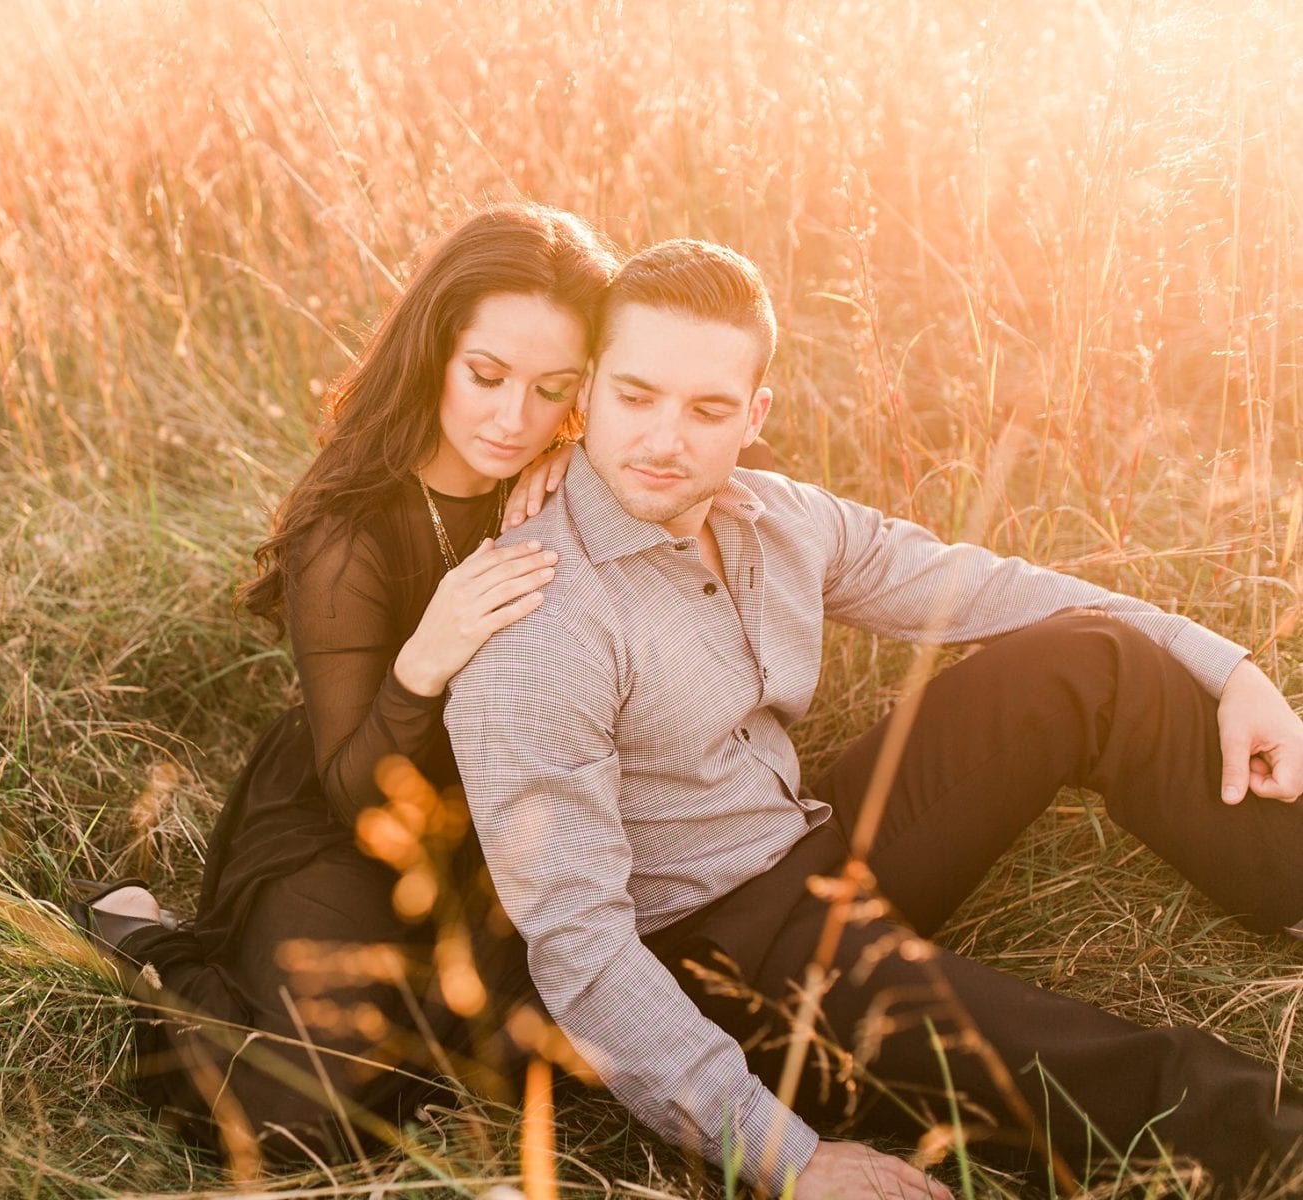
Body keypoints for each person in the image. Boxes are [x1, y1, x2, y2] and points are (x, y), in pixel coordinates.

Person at [444, 238, 1303, 1198]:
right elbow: (581, 950)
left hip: (819, 844)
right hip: (727, 974)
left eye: (708, 409)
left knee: (1089, 657)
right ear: (589, 392)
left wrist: (1230, 671)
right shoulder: (537, 627)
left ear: (754, 414)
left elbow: (980, 587)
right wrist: (790, 1160)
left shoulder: (769, 517)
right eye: (636, 397)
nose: (663, 440)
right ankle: (1280, 1143)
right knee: (1103, 1062)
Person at [63, 202, 624, 1169]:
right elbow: (356, 790)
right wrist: (427, 656)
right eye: (486, 376)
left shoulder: (571, 468)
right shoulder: (350, 523)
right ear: (436, 350)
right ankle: (146, 944)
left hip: (508, 822)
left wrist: (583, 452)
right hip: (351, 809)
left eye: (553, 390)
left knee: (547, 1059)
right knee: (301, 1125)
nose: (512, 418)